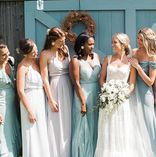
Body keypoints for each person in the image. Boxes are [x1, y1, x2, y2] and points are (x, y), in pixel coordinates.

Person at [95, 33, 155, 157]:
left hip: (123, 100)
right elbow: (101, 79)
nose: (112, 44)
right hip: (107, 99)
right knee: (107, 127)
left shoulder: (131, 61)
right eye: (112, 42)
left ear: (123, 45)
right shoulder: (108, 58)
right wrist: (106, 91)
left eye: (115, 42)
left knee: (122, 127)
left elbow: (132, 84)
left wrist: (122, 95)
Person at [40, 27, 72, 157]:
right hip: (54, 88)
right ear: (52, 41)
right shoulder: (45, 54)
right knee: (56, 123)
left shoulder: (65, 50)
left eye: (63, 40)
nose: (62, 43)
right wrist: (51, 99)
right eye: (60, 41)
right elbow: (44, 78)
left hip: (68, 87)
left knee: (68, 122)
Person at [129, 27, 156, 156]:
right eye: (138, 39)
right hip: (133, 91)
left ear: (148, 41)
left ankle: (152, 152)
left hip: (146, 93)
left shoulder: (153, 57)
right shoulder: (134, 52)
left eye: (141, 40)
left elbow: (150, 81)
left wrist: (137, 67)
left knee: (148, 123)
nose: (139, 42)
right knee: (133, 122)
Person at [16, 39, 50, 157]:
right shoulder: (22, 67)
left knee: (41, 132)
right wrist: (29, 111)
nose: (36, 53)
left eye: (36, 49)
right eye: (33, 52)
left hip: (40, 100)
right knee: (32, 133)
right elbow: (20, 91)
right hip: (29, 102)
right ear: (26, 53)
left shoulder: (36, 63)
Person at [70, 32, 101, 157]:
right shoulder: (75, 60)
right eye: (89, 44)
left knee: (95, 125)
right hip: (82, 94)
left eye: (93, 44)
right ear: (82, 45)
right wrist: (83, 103)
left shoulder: (97, 57)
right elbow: (76, 83)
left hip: (96, 94)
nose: (92, 46)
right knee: (82, 127)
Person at [0, 43, 21, 157]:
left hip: (12, 104)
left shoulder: (10, 61)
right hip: (1, 103)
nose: (7, 56)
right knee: (3, 130)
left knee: (13, 127)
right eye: (3, 55)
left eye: (7, 53)